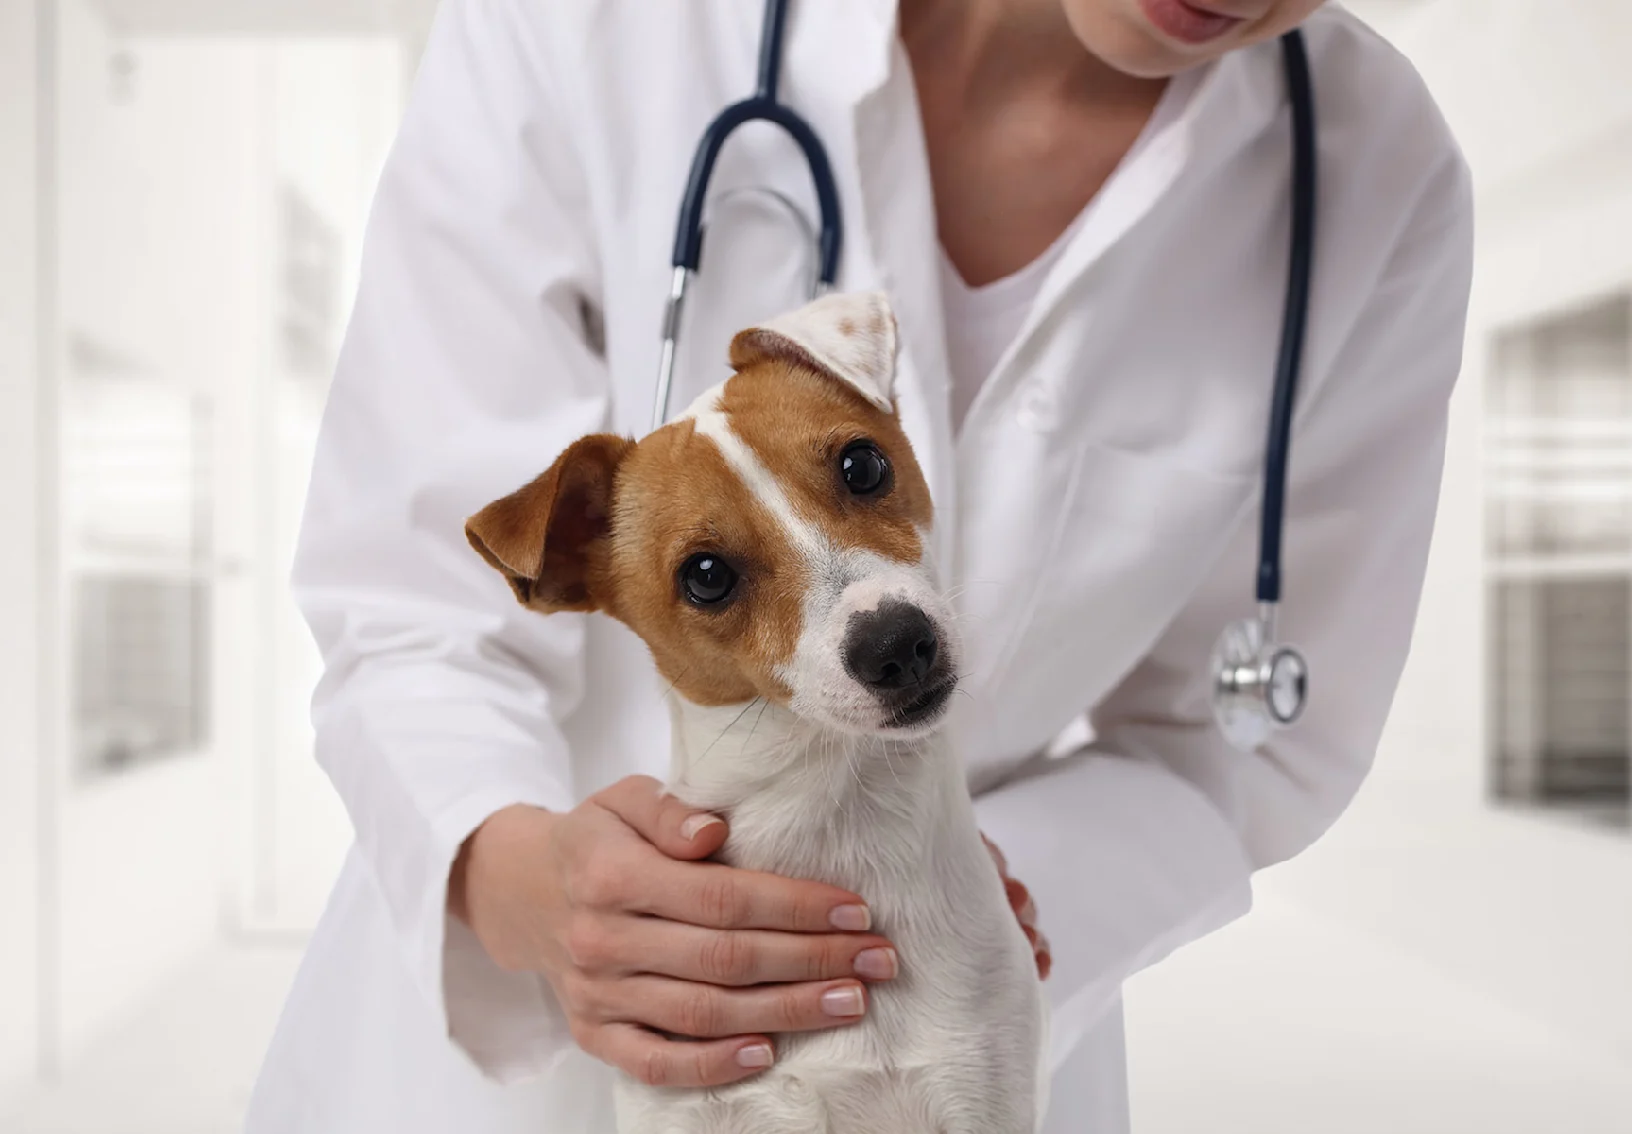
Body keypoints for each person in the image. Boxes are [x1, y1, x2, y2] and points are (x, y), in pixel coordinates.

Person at [244, 0, 1474, 1130]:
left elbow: (1254, 733)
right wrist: (524, 883)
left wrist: (974, 900)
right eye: (716, 575)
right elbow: (409, 602)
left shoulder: (1375, 175)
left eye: (863, 474)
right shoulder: (598, 26)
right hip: (511, 1036)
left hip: (960, 1027)